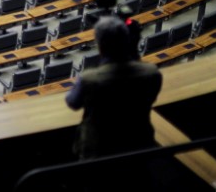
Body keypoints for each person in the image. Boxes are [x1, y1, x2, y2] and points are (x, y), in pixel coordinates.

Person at [66, 16, 162, 159]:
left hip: (99, 150)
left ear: (99, 45)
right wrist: (134, 52)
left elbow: (72, 102)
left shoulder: (89, 79)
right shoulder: (152, 73)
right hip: (138, 145)